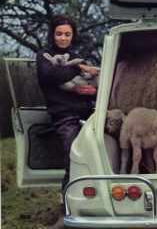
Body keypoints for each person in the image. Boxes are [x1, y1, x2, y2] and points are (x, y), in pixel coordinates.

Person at [36, 15, 98, 229]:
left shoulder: (78, 55)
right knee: (74, 157)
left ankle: (96, 205)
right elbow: (51, 77)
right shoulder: (44, 56)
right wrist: (79, 68)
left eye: (67, 34)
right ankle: (65, 211)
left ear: (73, 35)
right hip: (64, 115)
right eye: (59, 34)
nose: (63, 38)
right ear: (53, 35)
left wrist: (92, 91)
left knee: (99, 155)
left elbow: (90, 80)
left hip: (88, 114)